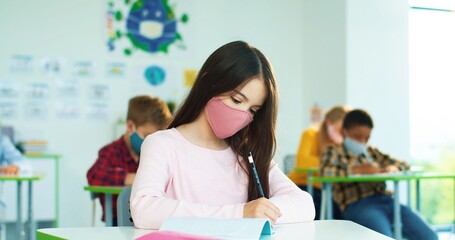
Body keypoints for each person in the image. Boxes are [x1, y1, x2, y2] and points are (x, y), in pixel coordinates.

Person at [130, 41, 315, 229]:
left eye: (253, 110)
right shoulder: (162, 144)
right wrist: (240, 213)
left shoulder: (246, 154)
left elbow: (304, 205)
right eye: (236, 100)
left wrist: (260, 212)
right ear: (209, 82)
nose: (243, 114)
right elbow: (143, 210)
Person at [320, 109, 437, 240]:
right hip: (358, 204)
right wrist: (358, 170)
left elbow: (403, 164)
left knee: (430, 236)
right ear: (344, 131)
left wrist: (391, 168)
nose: (363, 141)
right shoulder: (334, 151)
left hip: (387, 200)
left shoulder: (372, 152)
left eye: (367, 138)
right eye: (358, 137)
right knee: (385, 237)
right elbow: (325, 171)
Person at [87, 95, 172, 226]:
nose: (151, 142)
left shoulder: (157, 154)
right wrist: (132, 178)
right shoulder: (111, 152)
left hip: (152, 224)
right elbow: (94, 175)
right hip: (118, 223)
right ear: (130, 126)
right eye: (147, 136)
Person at [288, 105, 349, 219]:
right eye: (340, 129)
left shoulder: (341, 145)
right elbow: (302, 162)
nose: (343, 134)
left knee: (343, 212)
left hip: (327, 190)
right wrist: (330, 162)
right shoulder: (310, 134)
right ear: (329, 123)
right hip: (303, 185)